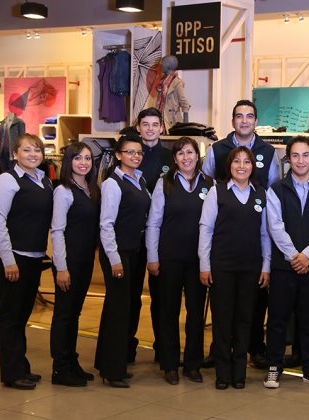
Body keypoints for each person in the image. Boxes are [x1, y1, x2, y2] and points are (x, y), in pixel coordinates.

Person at [202, 99, 280, 369]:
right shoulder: (217, 149)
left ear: (256, 121)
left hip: (254, 235)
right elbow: (208, 182)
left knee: (254, 303)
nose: (244, 121)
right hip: (225, 237)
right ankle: (219, 351)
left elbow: (273, 188)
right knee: (223, 306)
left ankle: (255, 348)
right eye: (239, 116)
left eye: (249, 116)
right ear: (233, 120)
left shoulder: (268, 151)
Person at [264, 136, 309, 389]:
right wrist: (295, 256)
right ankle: (274, 367)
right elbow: (275, 227)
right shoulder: (276, 190)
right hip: (284, 267)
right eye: (295, 155)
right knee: (278, 319)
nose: (301, 160)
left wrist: (308, 256)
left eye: (305, 155)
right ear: (289, 159)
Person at [198, 146, 271, 390]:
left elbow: (265, 234)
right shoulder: (216, 192)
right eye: (236, 161)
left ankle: (239, 371)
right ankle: (223, 372)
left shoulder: (261, 193)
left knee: (244, 319)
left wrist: (266, 266)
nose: (241, 166)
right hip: (222, 266)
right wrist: (205, 265)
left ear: (253, 166)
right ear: (229, 166)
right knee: (222, 319)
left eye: (246, 162)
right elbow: (206, 229)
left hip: (251, 267)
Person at [146, 137, 211, 385]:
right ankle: (170, 364)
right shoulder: (165, 183)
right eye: (181, 153)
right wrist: (153, 258)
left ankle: (193, 365)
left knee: (195, 314)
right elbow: (154, 223)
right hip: (169, 259)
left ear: (197, 156)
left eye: (190, 152)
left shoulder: (210, 184)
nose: (186, 158)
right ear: (175, 158)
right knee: (168, 312)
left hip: (198, 261)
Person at [0, 133, 53, 390]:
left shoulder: (44, 180)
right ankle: (11, 373)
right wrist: (8, 260)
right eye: (27, 150)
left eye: (37, 150)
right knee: (10, 317)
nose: (33, 155)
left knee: (22, 315)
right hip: (13, 258)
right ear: (15, 154)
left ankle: (21, 366)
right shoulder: (8, 180)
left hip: (34, 258)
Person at [95, 134, 151, 388]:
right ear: (118, 155)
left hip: (133, 251)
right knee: (118, 310)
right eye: (130, 152)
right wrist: (114, 258)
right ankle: (112, 370)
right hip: (117, 254)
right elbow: (106, 224)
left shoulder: (139, 180)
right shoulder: (112, 183)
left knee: (123, 308)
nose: (135, 156)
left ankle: (106, 361)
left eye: (139, 153)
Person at [50, 142, 100, 387]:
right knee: (64, 315)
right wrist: (61, 268)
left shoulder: (91, 189)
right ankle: (60, 368)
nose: (83, 163)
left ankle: (72, 362)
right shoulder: (64, 190)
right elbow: (57, 231)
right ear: (68, 161)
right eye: (78, 158)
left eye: (88, 158)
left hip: (85, 261)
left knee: (74, 314)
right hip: (68, 263)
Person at [130, 107, 173, 365]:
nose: (150, 129)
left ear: (162, 128)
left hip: (161, 236)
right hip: (134, 235)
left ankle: (163, 349)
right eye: (145, 124)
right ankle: (127, 347)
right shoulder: (130, 154)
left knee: (162, 298)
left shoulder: (171, 156)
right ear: (138, 128)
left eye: (155, 124)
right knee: (131, 295)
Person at [154, 55, 190, 132]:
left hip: (172, 121)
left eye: (162, 63)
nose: (160, 65)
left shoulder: (177, 82)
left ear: (167, 65)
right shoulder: (161, 83)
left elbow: (184, 103)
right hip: (160, 118)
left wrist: (186, 126)